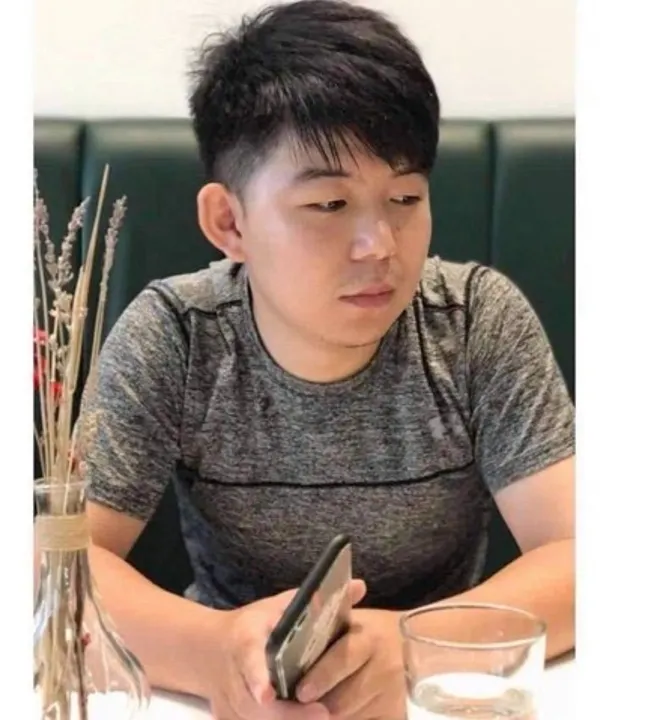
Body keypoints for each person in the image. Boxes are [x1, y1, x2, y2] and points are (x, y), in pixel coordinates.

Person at [81, 1, 575, 718]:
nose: (381, 245)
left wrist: (408, 645)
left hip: (436, 695)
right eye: (329, 205)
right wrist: (218, 654)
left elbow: (583, 556)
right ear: (229, 221)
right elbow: (59, 565)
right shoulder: (178, 335)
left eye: (405, 196)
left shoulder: (474, 323)